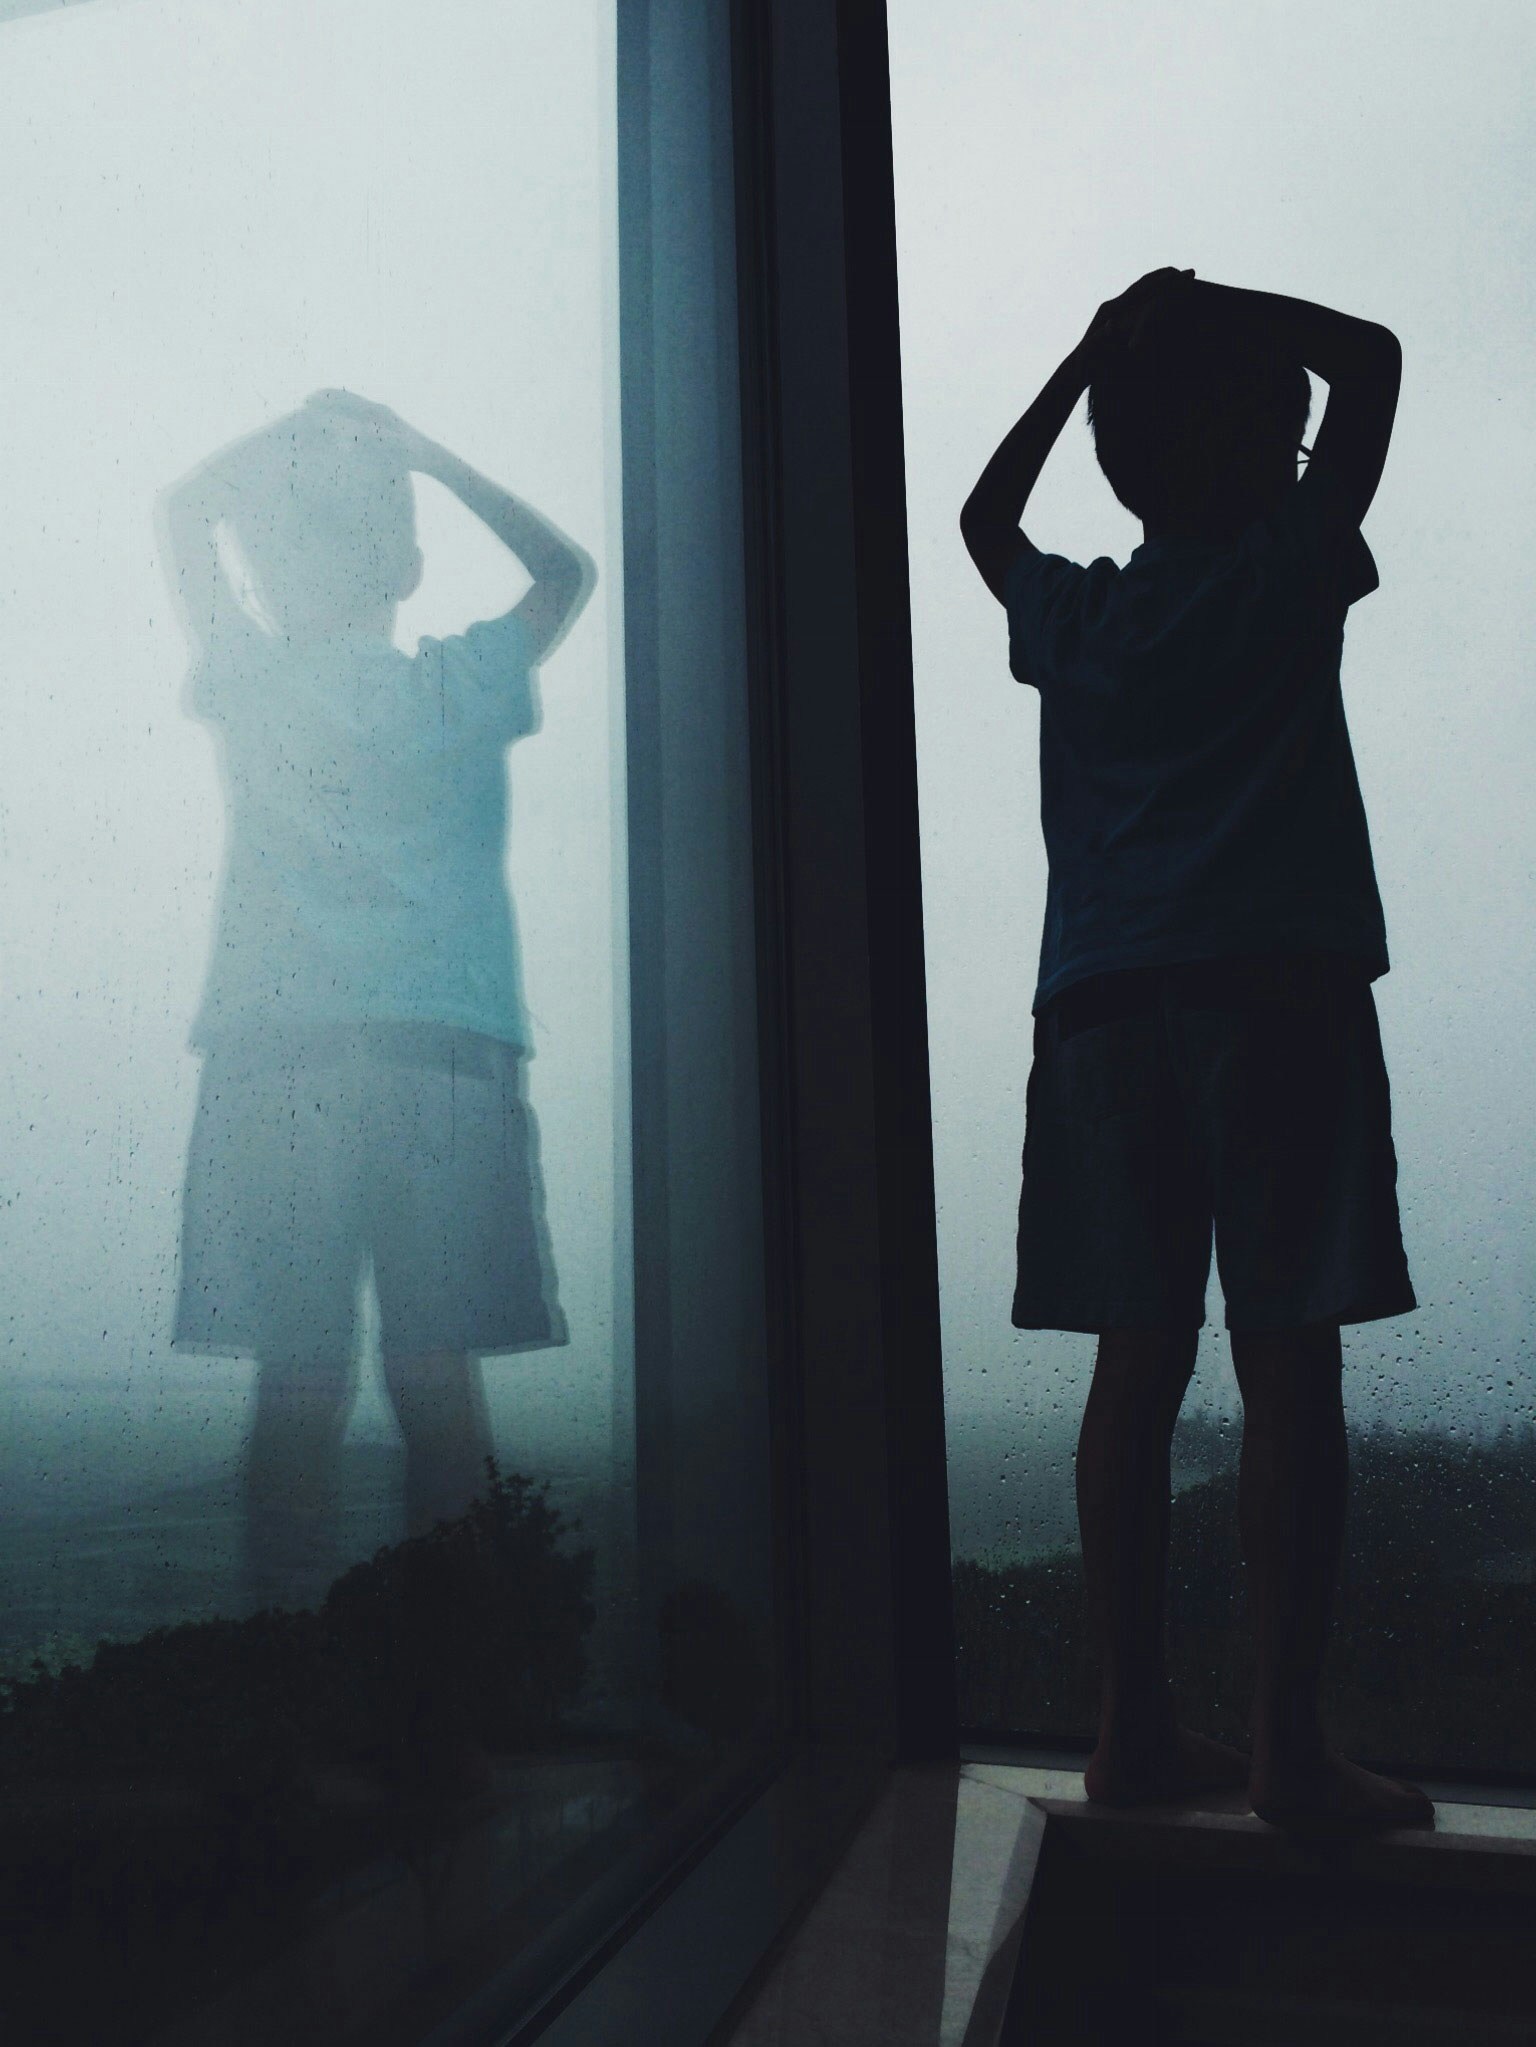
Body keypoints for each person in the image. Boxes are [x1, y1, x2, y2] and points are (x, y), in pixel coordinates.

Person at [960, 271, 1435, 1832]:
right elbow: (1371, 361)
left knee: (1136, 1363)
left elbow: (982, 519)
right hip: (1278, 994)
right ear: (1264, 446)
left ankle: (1130, 1731)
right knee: (1288, 1358)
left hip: (1101, 1011)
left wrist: (1092, 350)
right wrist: (1210, 299)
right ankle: (1288, 1743)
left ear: (1125, 456)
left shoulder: (1081, 614)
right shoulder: (1290, 567)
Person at [160, 392, 594, 1611]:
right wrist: (425, 453)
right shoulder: (460, 683)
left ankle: (281, 1692)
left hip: (275, 1058)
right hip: (444, 1061)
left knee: (297, 1382)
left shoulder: (250, 678)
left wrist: (288, 432)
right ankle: (445, 1705)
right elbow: (565, 569)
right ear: (403, 565)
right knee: (439, 1380)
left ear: (273, 558)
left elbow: (182, 513)